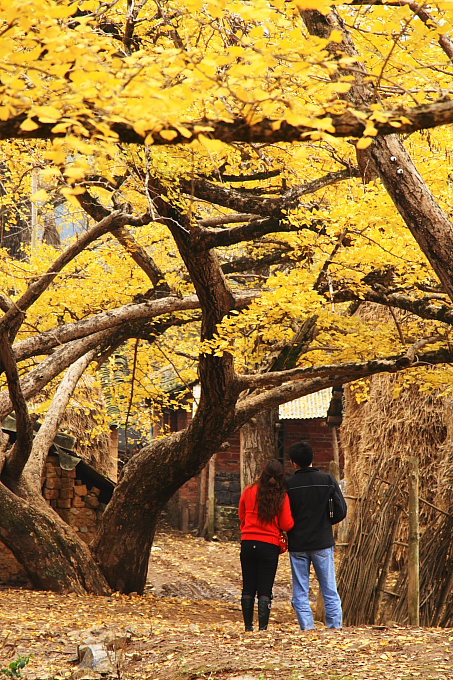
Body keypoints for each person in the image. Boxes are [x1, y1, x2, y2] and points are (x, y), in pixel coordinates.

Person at [286, 440, 347, 631]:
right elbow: (341, 509)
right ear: (312, 459)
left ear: (293, 462)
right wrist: (327, 523)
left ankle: (307, 628)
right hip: (322, 541)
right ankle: (335, 627)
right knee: (329, 588)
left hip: (298, 543)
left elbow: (284, 513)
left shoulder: (289, 484)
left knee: (301, 589)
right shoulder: (327, 480)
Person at [238, 458, 294, 632]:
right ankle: (263, 627)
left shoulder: (248, 490)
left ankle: (248, 626)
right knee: (265, 588)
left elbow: (242, 516)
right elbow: (286, 524)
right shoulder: (281, 496)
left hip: (248, 542)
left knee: (248, 586)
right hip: (268, 545)